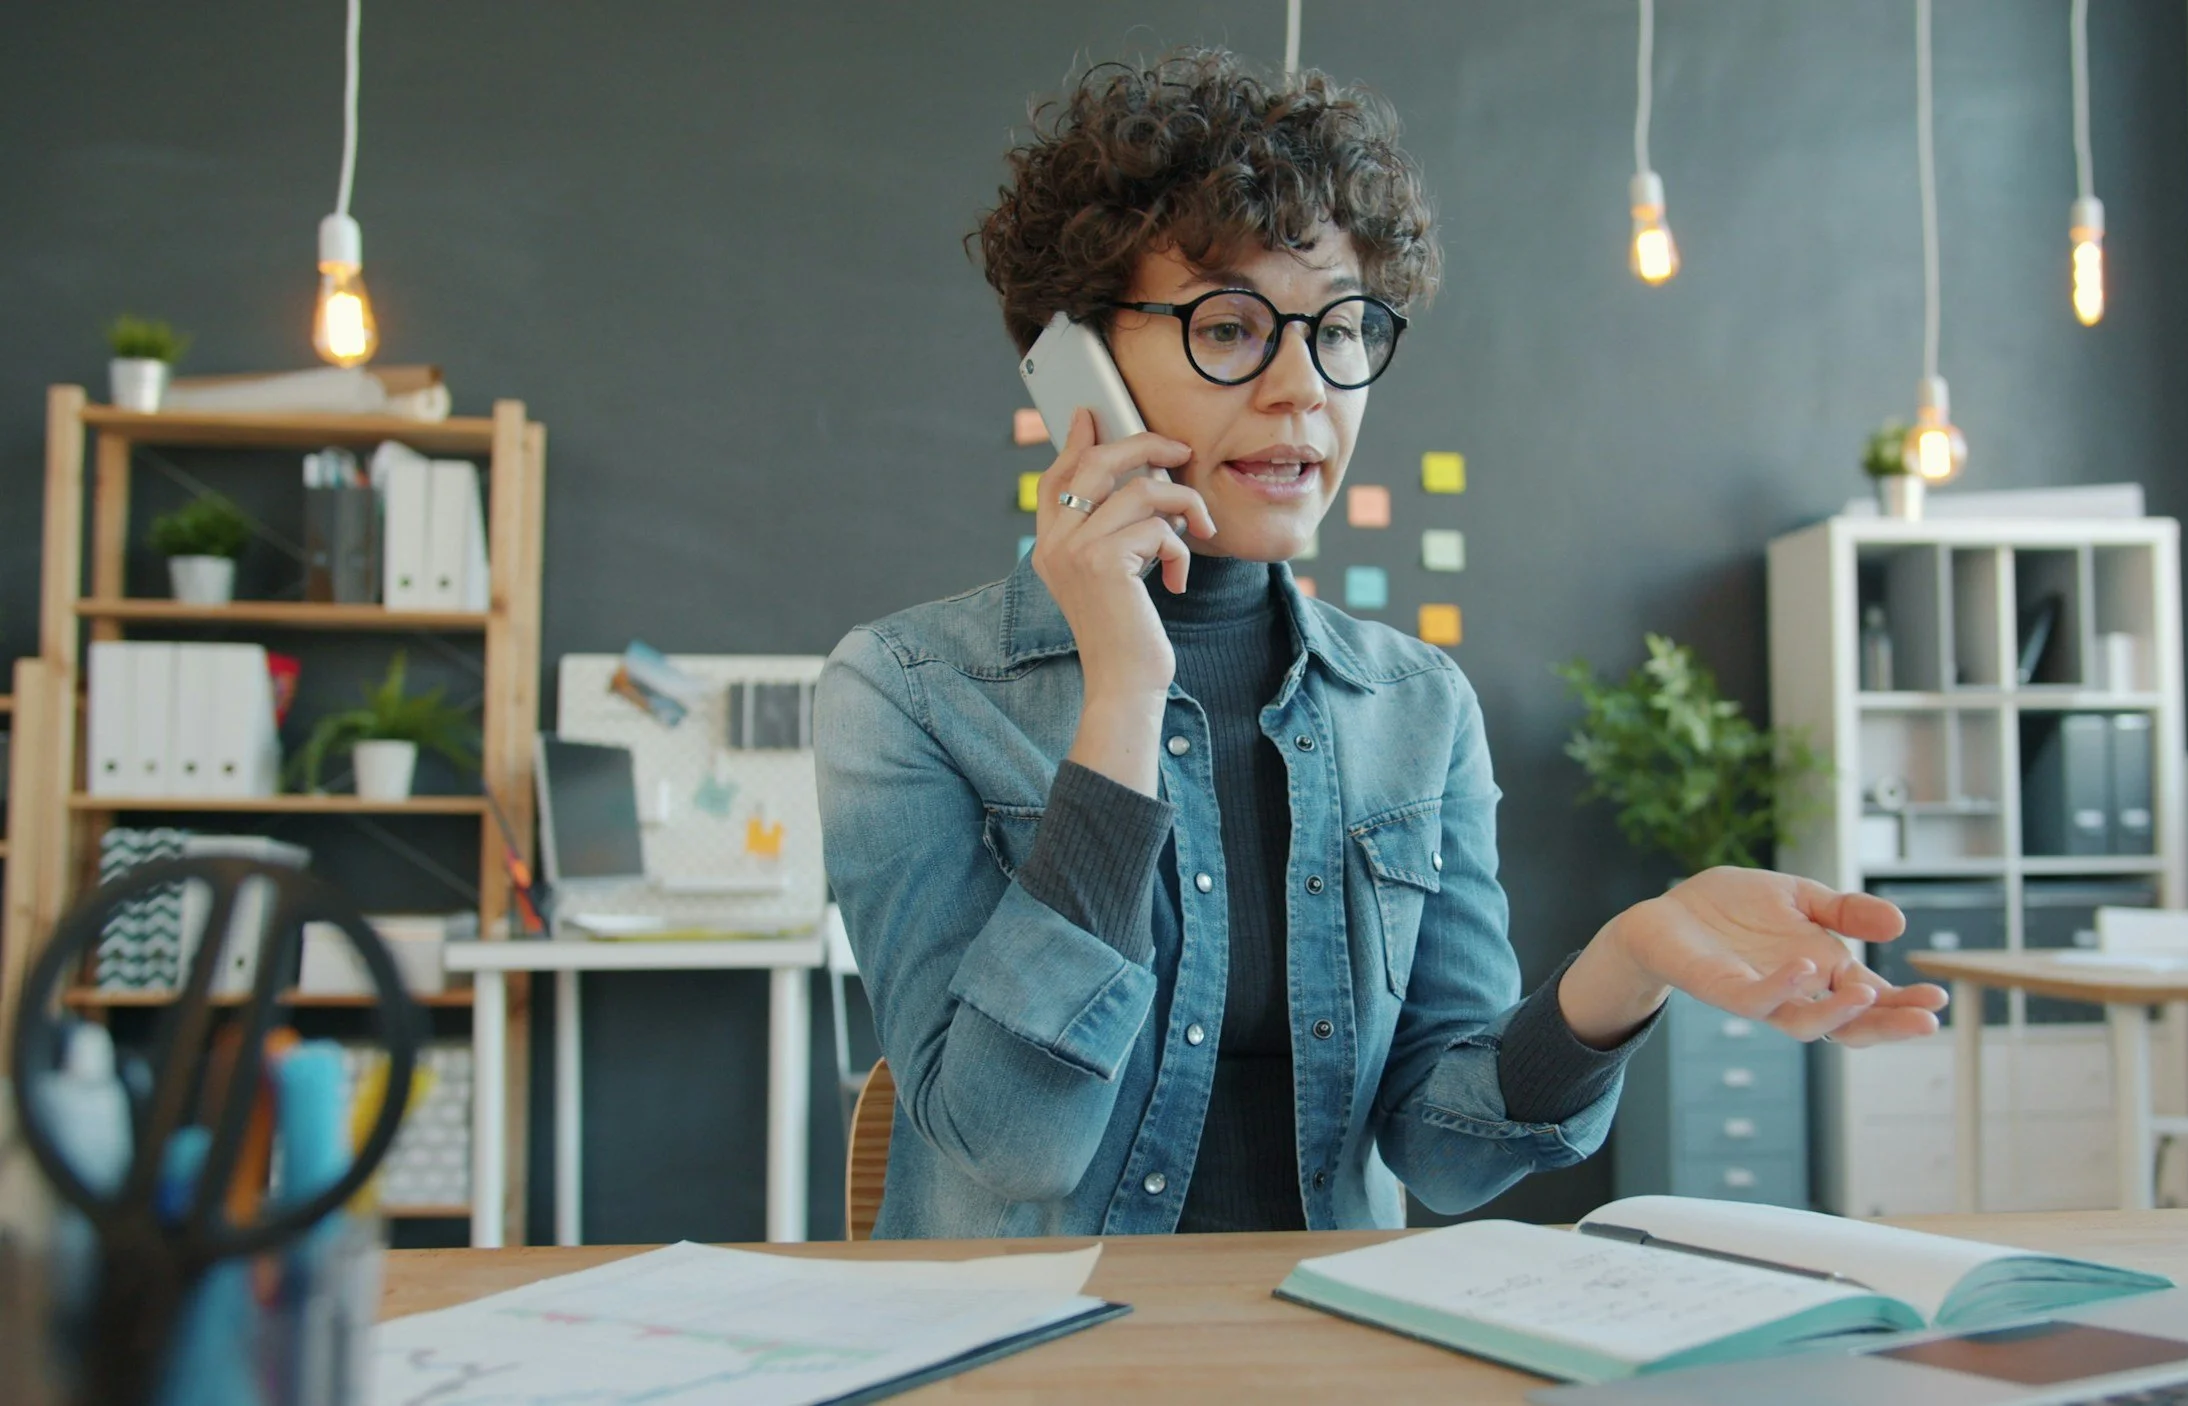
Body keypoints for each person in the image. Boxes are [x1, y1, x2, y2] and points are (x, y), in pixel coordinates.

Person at [814, 48, 1945, 1239]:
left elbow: (1443, 1150)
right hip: (1034, 1353)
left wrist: (1630, 958)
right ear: (1076, 365)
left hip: (1328, 1332)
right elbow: (1013, 1141)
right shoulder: (906, 693)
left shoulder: (1414, 704)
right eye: (1231, 327)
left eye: (1341, 330)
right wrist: (1124, 698)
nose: (1305, 386)